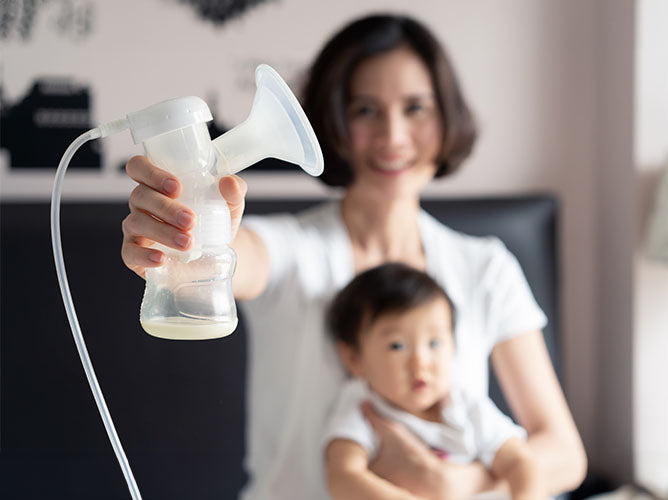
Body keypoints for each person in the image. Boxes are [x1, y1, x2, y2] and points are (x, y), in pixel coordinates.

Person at [121, 13, 587, 500]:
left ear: (447, 118)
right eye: (366, 110)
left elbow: (564, 454)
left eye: (416, 108)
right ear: (336, 124)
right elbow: (237, 258)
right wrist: (186, 234)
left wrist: (451, 485)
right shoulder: (291, 250)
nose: (392, 135)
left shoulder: (485, 267)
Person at [324, 262, 543, 500]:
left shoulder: (465, 405)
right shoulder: (364, 408)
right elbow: (343, 476)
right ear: (353, 358)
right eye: (397, 346)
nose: (420, 362)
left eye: (434, 343)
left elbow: (520, 462)